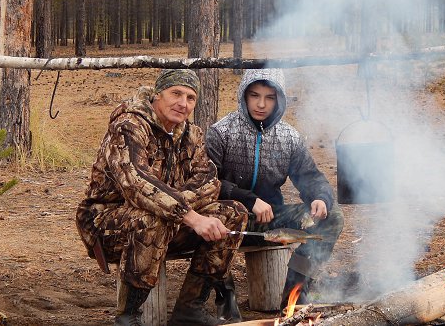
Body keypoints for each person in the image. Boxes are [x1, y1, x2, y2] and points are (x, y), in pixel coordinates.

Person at [76, 69, 247, 326]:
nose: (183, 103)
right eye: (175, 93)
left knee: (234, 212)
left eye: (190, 98)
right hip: (105, 224)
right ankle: (128, 316)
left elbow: (210, 181)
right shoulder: (128, 126)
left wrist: (173, 205)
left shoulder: (191, 134)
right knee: (151, 218)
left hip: (167, 220)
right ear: (157, 94)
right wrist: (189, 215)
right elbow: (135, 182)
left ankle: (190, 310)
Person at [206, 68, 344, 309]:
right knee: (211, 218)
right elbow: (207, 182)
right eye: (254, 96)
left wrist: (320, 197)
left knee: (332, 216)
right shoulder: (221, 132)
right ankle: (225, 298)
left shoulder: (289, 137)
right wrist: (248, 200)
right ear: (243, 95)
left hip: (270, 221)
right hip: (225, 220)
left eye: (270, 98)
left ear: (279, 100)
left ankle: (295, 295)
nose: (261, 104)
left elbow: (311, 177)